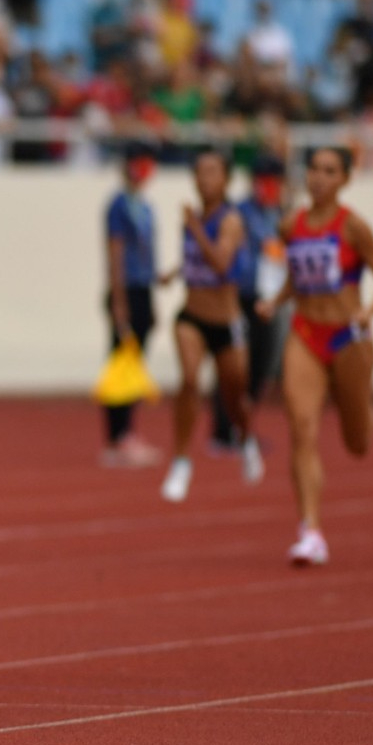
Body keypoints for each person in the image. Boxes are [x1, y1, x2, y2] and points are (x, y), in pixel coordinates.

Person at [265, 147, 373, 566]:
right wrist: (276, 302)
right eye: (314, 170)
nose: (319, 178)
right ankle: (310, 531)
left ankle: (364, 411)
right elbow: (296, 278)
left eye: (330, 171)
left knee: (356, 442)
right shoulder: (291, 225)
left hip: (348, 337)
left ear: (344, 180)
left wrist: (368, 310)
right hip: (306, 333)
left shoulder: (354, 227)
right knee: (302, 428)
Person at [160, 152, 265, 502]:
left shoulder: (231, 220)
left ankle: (246, 440)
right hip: (191, 316)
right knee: (189, 381)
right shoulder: (194, 218)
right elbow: (194, 256)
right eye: (200, 172)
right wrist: (173, 272)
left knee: (235, 396)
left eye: (213, 172)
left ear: (226, 180)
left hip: (227, 322)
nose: (205, 179)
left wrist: (194, 229)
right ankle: (181, 461)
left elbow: (220, 261)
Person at [213, 156, 289, 448]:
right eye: (263, 182)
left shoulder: (279, 214)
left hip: (268, 301)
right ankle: (223, 430)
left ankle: (241, 426)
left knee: (261, 365)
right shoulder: (239, 212)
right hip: (240, 297)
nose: (268, 188)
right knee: (234, 367)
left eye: (274, 183)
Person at [102, 143, 162, 467]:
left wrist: (154, 289)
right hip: (125, 290)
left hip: (142, 289)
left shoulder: (146, 206)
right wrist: (119, 299)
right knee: (121, 363)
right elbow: (115, 252)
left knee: (136, 364)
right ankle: (117, 435)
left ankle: (128, 431)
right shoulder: (118, 206)